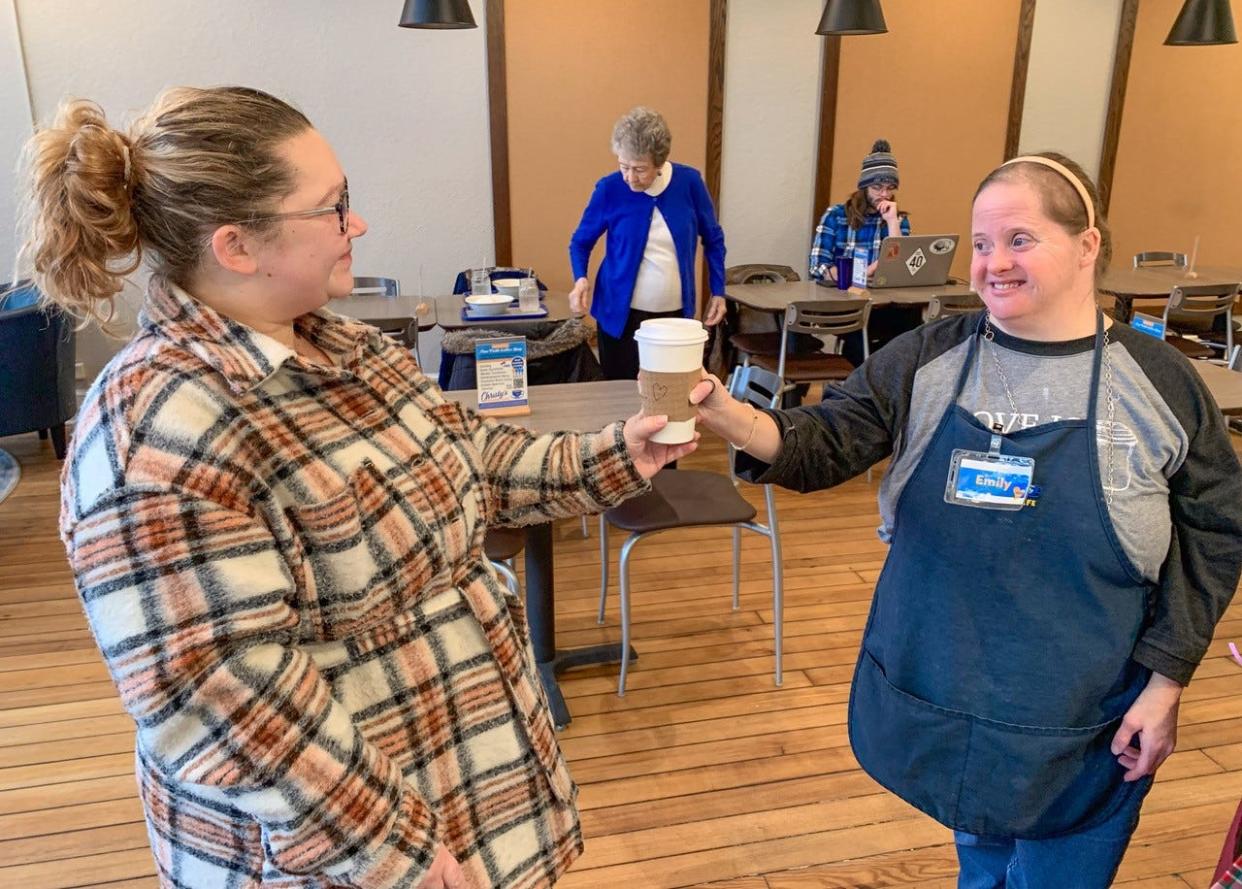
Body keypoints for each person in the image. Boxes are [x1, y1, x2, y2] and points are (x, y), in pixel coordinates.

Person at [20, 87, 696, 889]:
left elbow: (466, 462)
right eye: (334, 207)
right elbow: (227, 697)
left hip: (460, 795)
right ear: (238, 246)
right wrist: (397, 847)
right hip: (347, 858)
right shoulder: (154, 429)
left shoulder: (346, 349)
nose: (359, 225)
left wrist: (616, 453)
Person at [692, 151, 1242, 888]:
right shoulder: (929, 357)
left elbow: (1214, 530)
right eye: (981, 243)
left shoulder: (1159, 383)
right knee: (979, 860)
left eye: (1019, 239)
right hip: (952, 698)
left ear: (1088, 246)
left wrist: (1167, 679)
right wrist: (724, 413)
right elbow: (823, 446)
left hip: (1085, 719)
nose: (992, 263)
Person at [568, 106, 727, 380]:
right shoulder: (609, 188)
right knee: (619, 394)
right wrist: (580, 278)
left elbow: (713, 239)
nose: (630, 177)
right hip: (620, 316)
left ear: (660, 162)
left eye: (640, 169)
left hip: (674, 317)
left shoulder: (689, 183)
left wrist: (718, 290)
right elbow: (580, 242)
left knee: (672, 392)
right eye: (623, 166)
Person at [807, 138, 917, 366]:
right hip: (846, 305)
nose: (884, 194)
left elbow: (900, 268)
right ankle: (860, 386)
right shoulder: (836, 215)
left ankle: (892, 387)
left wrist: (892, 223)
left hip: (883, 305)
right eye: (877, 188)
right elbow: (817, 265)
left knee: (913, 327)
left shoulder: (896, 219)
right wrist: (848, 274)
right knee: (860, 338)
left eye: (889, 188)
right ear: (864, 187)